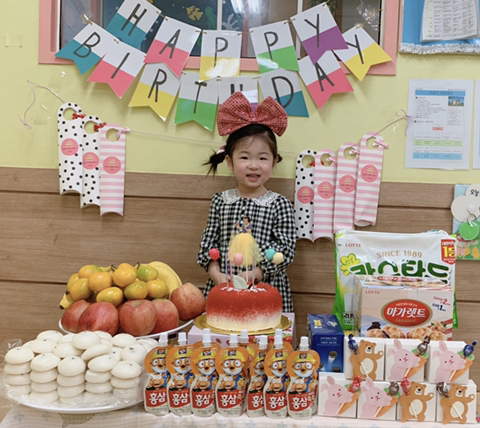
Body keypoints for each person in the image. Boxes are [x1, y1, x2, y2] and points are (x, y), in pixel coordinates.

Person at [196, 92, 296, 312]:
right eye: (244, 157)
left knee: (265, 332)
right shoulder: (221, 201)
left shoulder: (279, 204)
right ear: (230, 162)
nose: (253, 165)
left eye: (262, 158)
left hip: (266, 288)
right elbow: (208, 242)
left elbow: (286, 250)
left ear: (274, 162)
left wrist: (257, 273)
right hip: (224, 287)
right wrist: (215, 273)